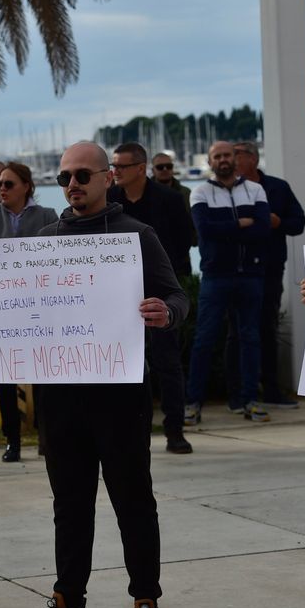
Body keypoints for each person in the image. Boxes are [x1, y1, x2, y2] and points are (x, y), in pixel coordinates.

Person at [0, 141, 188, 608]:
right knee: (70, 504)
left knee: (133, 502)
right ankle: (69, 603)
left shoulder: (137, 236)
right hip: (61, 397)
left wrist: (165, 312)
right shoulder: (45, 240)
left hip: (120, 395)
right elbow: (17, 313)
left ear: (108, 178)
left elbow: (178, 296)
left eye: (83, 175)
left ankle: (146, 604)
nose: (73, 184)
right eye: (66, 176)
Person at [109, 142, 194, 454]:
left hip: (158, 293)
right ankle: (128, 431)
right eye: (112, 166)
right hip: (117, 297)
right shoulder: (110, 200)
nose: (115, 171)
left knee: (167, 362)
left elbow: (185, 239)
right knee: (122, 364)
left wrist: (170, 285)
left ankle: (175, 431)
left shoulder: (169, 199)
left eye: (121, 166)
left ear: (140, 168)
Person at [0, 161, 59, 462]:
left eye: (9, 184)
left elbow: (58, 258)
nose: (2, 189)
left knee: (45, 377)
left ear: (27, 186)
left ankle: (48, 439)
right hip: (2, 310)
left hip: (39, 308)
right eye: (0, 184)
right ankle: (13, 441)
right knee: (6, 377)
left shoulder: (48, 216)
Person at [184, 141, 271, 425]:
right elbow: (204, 232)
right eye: (217, 156)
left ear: (236, 158)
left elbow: (261, 230)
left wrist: (233, 230)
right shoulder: (201, 192)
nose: (223, 160)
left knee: (250, 339)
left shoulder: (255, 190)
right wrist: (239, 225)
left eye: (227, 155)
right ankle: (193, 402)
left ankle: (250, 400)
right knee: (204, 340)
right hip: (216, 276)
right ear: (210, 162)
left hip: (250, 274)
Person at [232, 141, 305, 408]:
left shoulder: (278, 187)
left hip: (271, 268)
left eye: (236, 155)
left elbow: (299, 222)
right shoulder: (229, 189)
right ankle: (239, 393)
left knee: (267, 327)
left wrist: (278, 223)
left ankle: (272, 390)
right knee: (237, 330)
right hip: (238, 269)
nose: (232, 160)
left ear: (252, 159)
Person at [150, 152, 196, 245]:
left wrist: (190, 241)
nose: (165, 169)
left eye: (169, 166)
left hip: (181, 253)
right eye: (160, 167)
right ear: (153, 170)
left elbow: (193, 221)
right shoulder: (145, 192)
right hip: (153, 248)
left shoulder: (185, 192)